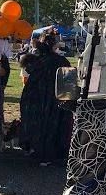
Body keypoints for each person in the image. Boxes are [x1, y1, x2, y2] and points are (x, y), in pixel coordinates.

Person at [19, 35, 72, 166]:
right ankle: (54, 153)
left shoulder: (38, 61)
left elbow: (28, 76)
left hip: (37, 98)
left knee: (38, 125)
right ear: (54, 45)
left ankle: (36, 151)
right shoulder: (62, 61)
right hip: (57, 98)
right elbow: (69, 81)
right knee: (54, 126)